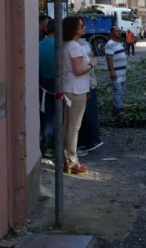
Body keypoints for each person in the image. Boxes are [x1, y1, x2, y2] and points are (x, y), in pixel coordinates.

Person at [62, 16, 98, 175]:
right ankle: (72, 161)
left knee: (67, 126)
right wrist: (92, 64)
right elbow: (78, 70)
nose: (84, 28)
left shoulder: (65, 45)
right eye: (81, 26)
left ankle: (67, 158)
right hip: (76, 90)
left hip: (69, 88)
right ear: (73, 29)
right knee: (73, 127)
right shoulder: (75, 47)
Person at [78, 38, 103, 153]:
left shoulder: (83, 45)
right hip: (85, 85)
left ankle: (89, 140)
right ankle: (89, 140)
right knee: (87, 114)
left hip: (85, 85)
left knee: (86, 114)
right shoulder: (81, 46)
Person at [38, 19, 56, 158]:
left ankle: (48, 145)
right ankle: (58, 145)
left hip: (43, 83)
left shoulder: (38, 45)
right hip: (58, 82)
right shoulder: (59, 46)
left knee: (47, 115)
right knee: (61, 116)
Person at [105, 25, 127, 115]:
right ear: (111, 33)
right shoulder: (109, 44)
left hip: (122, 73)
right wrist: (112, 71)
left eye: (119, 31)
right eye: (116, 31)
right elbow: (109, 58)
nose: (119, 32)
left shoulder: (119, 43)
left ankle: (117, 109)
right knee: (117, 92)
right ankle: (118, 110)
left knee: (120, 92)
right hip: (116, 73)